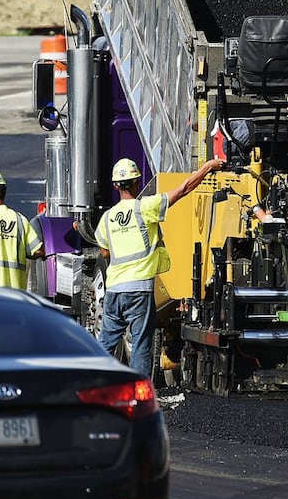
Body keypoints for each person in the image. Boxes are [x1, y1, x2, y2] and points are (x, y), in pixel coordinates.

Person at [96, 155, 225, 385]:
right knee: (140, 343)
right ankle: (139, 394)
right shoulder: (146, 207)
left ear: (115, 186)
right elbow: (184, 189)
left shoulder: (107, 218)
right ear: (137, 183)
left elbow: (104, 252)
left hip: (114, 288)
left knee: (106, 343)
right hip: (139, 289)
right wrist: (207, 167)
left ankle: (93, 388)